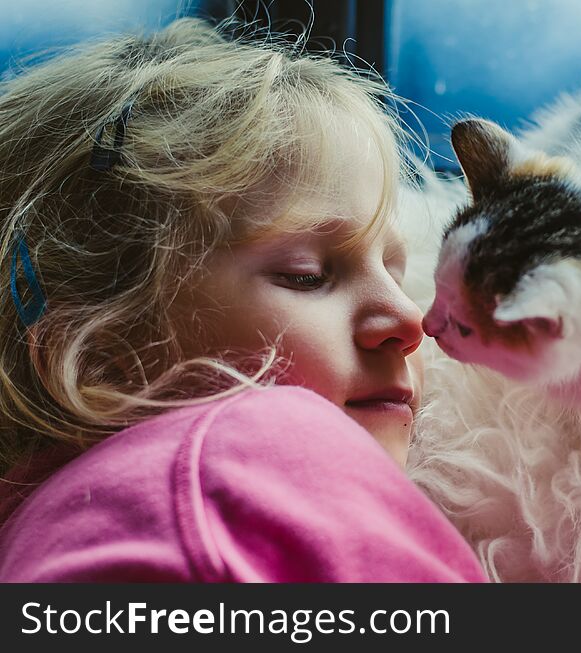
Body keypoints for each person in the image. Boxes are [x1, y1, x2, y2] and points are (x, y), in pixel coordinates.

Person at [0, 18, 487, 582]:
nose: (410, 320)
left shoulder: (38, 526)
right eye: (306, 276)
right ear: (98, 352)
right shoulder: (242, 456)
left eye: (397, 276)